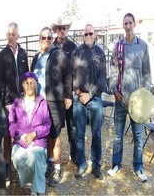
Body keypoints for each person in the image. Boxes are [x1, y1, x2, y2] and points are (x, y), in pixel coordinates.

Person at [107, 13, 152, 183]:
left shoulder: (143, 46)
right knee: (118, 136)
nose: (128, 26)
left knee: (138, 137)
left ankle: (138, 168)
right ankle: (116, 165)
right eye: (125, 23)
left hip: (138, 103)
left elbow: (147, 73)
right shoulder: (118, 47)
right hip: (121, 100)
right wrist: (114, 91)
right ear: (123, 25)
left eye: (130, 23)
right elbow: (112, 71)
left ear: (134, 24)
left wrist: (145, 94)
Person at [31, 27, 72, 187]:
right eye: (44, 37)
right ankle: (49, 162)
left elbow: (68, 75)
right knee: (45, 134)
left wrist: (68, 96)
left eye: (49, 37)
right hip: (39, 102)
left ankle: (57, 168)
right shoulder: (36, 57)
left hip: (55, 102)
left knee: (54, 135)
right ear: (39, 39)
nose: (47, 40)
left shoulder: (59, 54)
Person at [71, 24, 107, 180]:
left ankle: (96, 166)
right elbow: (70, 77)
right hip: (79, 99)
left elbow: (103, 79)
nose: (88, 35)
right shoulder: (76, 52)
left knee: (96, 134)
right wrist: (79, 93)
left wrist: (90, 94)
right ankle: (81, 164)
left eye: (90, 33)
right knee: (79, 134)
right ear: (82, 34)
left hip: (95, 99)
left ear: (95, 34)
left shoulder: (100, 53)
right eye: (85, 33)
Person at [0, 22, 29, 176]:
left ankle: (21, 162)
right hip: (8, 102)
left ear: (18, 36)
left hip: (22, 101)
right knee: (7, 134)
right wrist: (1, 102)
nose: (10, 37)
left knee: (22, 132)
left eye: (13, 34)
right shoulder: (2, 55)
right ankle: (7, 163)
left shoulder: (23, 54)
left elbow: (27, 76)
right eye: (8, 34)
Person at [9, 72, 51, 195]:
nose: (29, 85)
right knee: (18, 157)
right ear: (23, 85)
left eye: (32, 83)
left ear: (36, 85)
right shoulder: (16, 102)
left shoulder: (42, 102)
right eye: (26, 83)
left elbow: (47, 125)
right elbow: (11, 124)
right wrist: (22, 135)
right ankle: (36, 186)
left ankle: (37, 190)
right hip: (21, 141)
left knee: (37, 156)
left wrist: (34, 134)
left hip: (38, 140)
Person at [51, 17, 77, 163]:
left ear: (67, 30)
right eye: (59, 28)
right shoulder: (51, 46)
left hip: (69, 93)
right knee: (55, 128)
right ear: (56, 30)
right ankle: (54, 159)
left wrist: (72, 91)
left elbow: (75, 70)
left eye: (64, 28)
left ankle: (73, 156)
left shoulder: (73, 47)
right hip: (55, 94)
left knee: (71, 127)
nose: (61, 31)